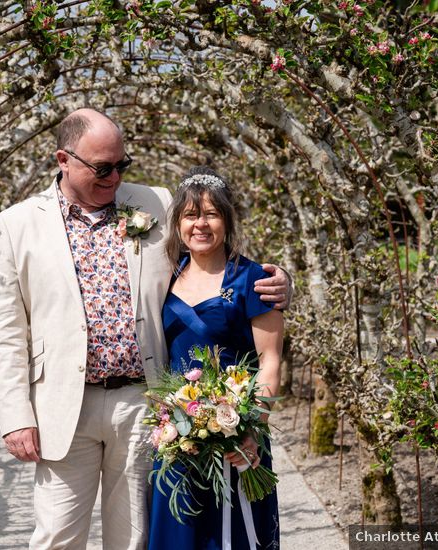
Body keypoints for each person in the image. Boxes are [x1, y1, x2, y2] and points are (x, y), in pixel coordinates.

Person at [0, 108, 289, 549]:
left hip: (144, 400)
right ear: (63, 159)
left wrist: (279, 282)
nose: (114, 178)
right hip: (62, 406)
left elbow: (210, 251)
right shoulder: (18, 225)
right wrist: (16, 417)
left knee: (132, 536)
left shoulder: (155, 202)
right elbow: (6, 330)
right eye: (102, 168)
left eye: (121, 165)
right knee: (56, 535)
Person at [148, 167, 283, 550]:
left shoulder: (253, 280)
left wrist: (251, 429)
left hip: (239, 436)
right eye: (191, 215)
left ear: (227, 219)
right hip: (176, 437)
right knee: (178, 534)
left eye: (211, 214)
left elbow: (269, 359)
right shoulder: (164, 277)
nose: (200, 224)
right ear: (178, 223)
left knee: (236, 534)